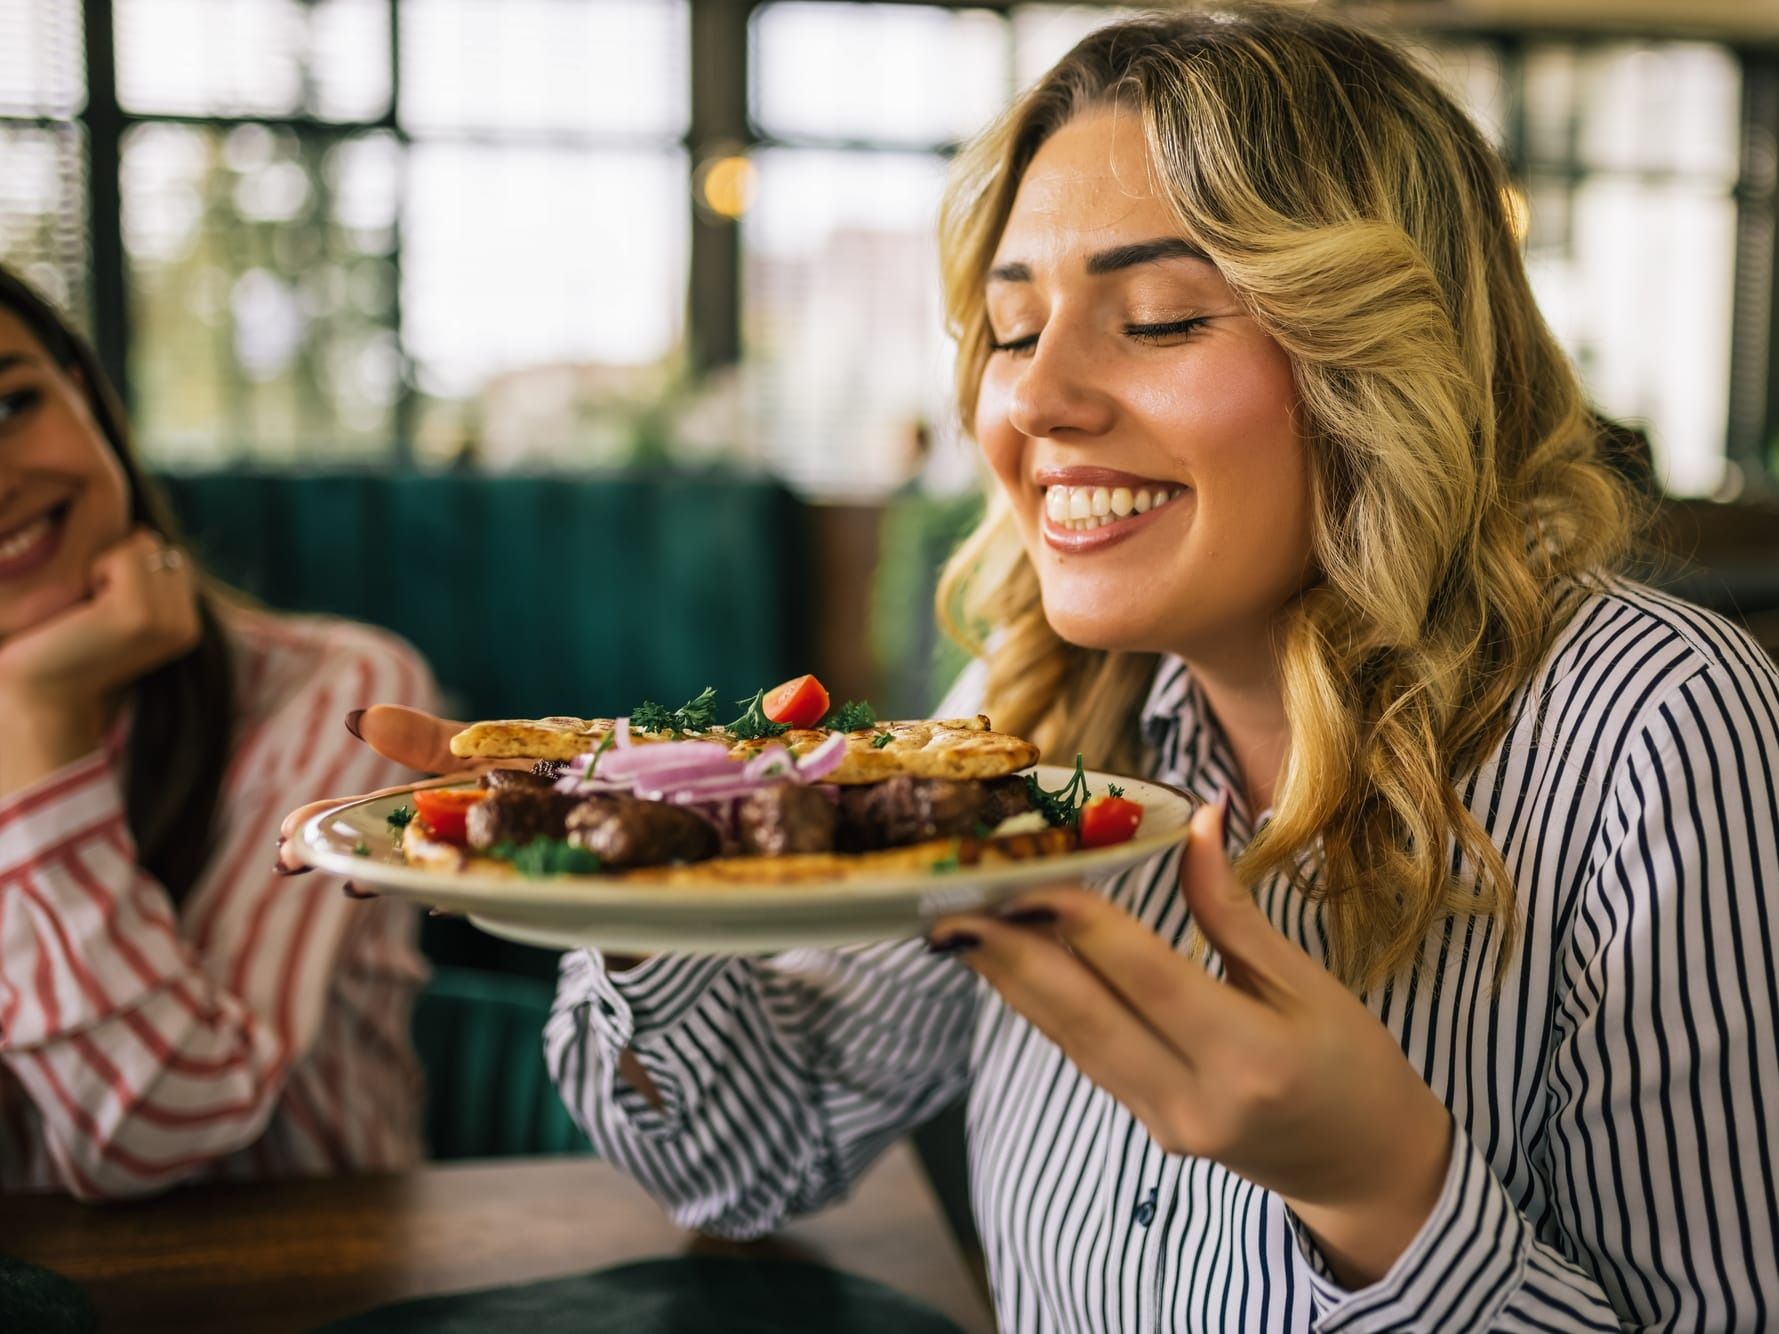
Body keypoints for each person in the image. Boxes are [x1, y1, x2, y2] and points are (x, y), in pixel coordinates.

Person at [329, 7, 1779, 1328]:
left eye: (1158, 319)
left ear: (1384, 356)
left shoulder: (1665, 736)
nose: (1032, 394)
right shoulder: (1026, 715)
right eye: (1011, 325)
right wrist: (633, 858)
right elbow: (748, 1157)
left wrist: (1384, 1193)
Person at [0, 265, 438, 1198]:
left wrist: (37, 721)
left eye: (9, 406)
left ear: (87, 397)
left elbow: (158, 1132)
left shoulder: (339, 691)